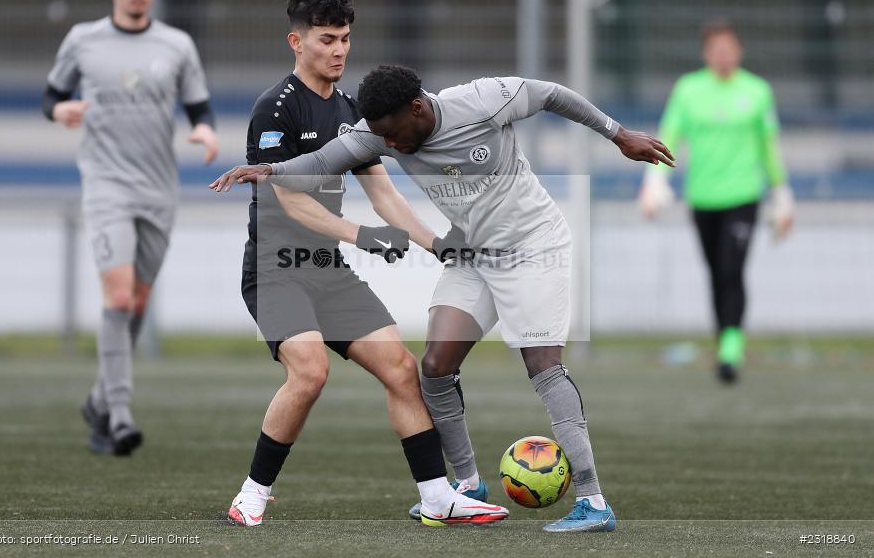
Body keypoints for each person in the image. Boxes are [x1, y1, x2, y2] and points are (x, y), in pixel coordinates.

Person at [211, 64, 674, 532]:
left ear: (416, 108)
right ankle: (467, 486)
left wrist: (618, 134)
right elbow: (320, 161)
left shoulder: (482, 99)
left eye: (393, 135)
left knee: (542, 364)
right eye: (381, 138)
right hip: (472, 252)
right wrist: (269, 168)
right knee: (433, 367)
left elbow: (551, 93)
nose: (388, 146)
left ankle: (594, 501)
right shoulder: (381, 130)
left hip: (534, 248)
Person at [214, 0, 507, 528]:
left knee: (401, 370)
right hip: (278, 271)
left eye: (346, 39)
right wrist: (363, 236)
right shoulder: (273, 109)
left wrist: (438, 245)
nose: (338, 50)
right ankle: (251, 495)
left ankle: (438, 496)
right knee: (310, 371)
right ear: (296, 42)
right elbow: (289, 198)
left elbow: (384, 194)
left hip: (329, 271)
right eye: (327, 39)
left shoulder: (354, 111)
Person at [42, 0, 219, 456]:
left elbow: (198, 105)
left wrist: (204, 129)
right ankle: (118, 414)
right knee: (118, 297)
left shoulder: (177, 45)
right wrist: (62, 110)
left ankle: (98, 399)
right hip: (105, 186)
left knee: (137, 302)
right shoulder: (83, 40)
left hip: (159, 190)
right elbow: (50, 95)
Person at [639, 19, 794, 383]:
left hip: (743, 196)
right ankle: (724, 338)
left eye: (729, 48)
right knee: (714, 273)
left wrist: (782, 195)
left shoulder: (757, 92)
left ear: (739, 50)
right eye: (716, 49)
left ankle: (730, 351)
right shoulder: (689, 90)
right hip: (702, 198)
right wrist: (655, 182)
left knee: (731, 269)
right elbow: (670, 135)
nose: (723, 55)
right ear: (706, 53)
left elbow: (769, 148)